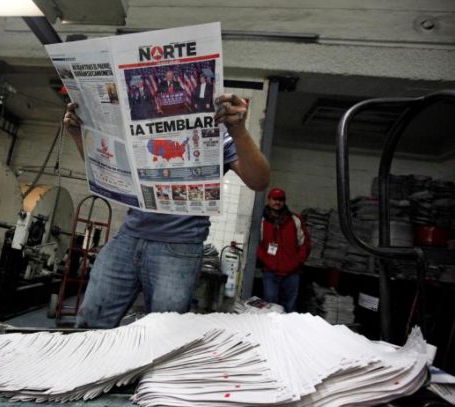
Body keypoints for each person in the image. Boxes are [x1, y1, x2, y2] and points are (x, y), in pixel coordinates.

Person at [63, 94, 270, 328]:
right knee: (90, 319)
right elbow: (107, 171)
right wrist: (78, 135)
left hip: (179, 245)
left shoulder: (218, 131)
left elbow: (259, 181)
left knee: (161, 334)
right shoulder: (142, 127)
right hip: (129, 236)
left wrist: (239, 132)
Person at [257, 188, 311, 313]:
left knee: (289, 308)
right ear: (269, 200)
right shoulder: (261, 220)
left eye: (280, 200)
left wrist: (297, 261)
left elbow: (305, 243)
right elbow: (256, 243)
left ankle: (285, 333)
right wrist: (266, 260)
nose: (277, 202)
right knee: (270, 309)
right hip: (270, 272)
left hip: (292, 273)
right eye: (274, 199)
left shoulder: (294, 220)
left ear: (284, 202)